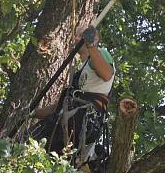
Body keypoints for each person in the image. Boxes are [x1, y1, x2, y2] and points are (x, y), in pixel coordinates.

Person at [29, 24, 115, 165]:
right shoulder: (79, 72)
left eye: (81, 35)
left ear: (95, 38)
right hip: (66, 123)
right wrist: (31, 113)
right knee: (30, 143)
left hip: (83, 124)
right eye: (76, 35)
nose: (77, 38)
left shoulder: (101, 54)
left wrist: (92, 46)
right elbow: (57, 108)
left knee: (33, 148)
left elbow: (106, 74)